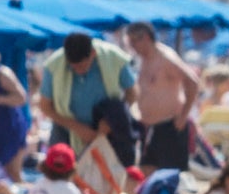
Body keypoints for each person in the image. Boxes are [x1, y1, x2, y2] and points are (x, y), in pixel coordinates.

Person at [36, 31, 138, 173]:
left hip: (107, 130)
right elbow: (45, 106)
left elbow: (132, 93)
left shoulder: (113, 57)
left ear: (93, 54)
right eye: (74, 67)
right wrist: (76, 127)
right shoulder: (54, 65)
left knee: (109, 176)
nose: (78, 71)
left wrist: (112, 120)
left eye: (83, 66)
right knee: (59, 174)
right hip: (66, 128)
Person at [124, 22, 203, 175]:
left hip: (170, 126)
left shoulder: (165, 57)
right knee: (146, 173)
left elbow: (192, 82)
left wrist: (183, 115)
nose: (133, 46)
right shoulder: (144, 59)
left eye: (134, 41)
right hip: (151, 128)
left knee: (169, 176)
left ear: (146, 38)